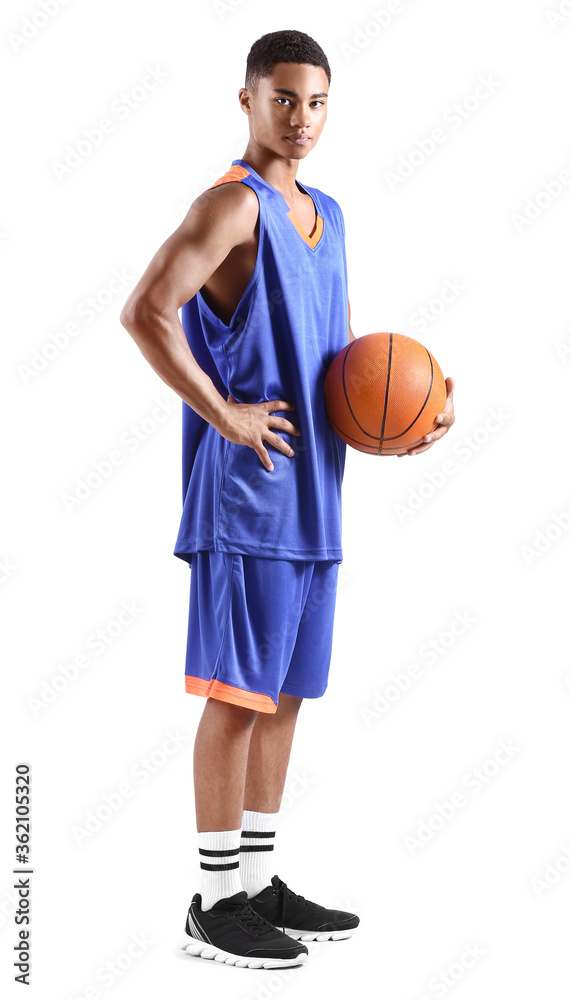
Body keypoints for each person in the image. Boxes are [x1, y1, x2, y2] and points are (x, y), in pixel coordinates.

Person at [120, 28, 456, 971]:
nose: (299, 119)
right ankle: (211, 901)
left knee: (287, 697)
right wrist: (223, 413)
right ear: (246, 101)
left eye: (314, 102)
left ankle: (257, 880)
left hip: (316, 500)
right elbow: (144, 309)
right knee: (236, 697)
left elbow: (341, 364)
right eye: (282, 100)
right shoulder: (231, 207)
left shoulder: (332, 215)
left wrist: (402, 420)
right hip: (247, 503)